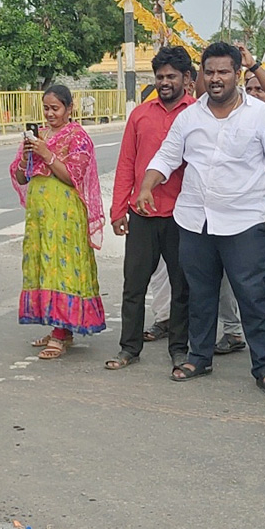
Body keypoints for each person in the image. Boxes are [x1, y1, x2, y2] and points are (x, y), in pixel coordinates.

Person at [138, 41, 265, 396]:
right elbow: (166, 158)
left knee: (253, 296)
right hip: (195, 221)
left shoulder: (261, 116)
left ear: (237, 74)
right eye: (209, 72)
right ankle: (198, 356)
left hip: (244, 223)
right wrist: (147, 187)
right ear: (202, 75)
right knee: (200, 293)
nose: (216, 78)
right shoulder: (189, 117)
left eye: (224, 71)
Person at [106, 47, 196, 371]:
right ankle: (129, 348)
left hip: (181, 215)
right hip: (142, 215)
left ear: (186, 78)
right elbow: (126, 164)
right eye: (160, 76)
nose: (164, 82)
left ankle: (179, 350)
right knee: (134, 285)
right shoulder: (140, 115)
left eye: (171, 76)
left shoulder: (197, 114)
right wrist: (118, 210)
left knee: (182, 286)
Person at [10, 84, 106, 359]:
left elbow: (71, 176)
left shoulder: (78, 137)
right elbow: (21, 178)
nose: (50, 114)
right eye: (46, 109)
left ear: (69, 108)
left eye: (56, 108)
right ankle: (57, 326)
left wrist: (46, 154)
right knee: (43, 265)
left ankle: (61, 334)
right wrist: (27, 156)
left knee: (61, 267)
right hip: (40, 214)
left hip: (65, 214)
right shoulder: (40, 135)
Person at [214, 44, 265, 358]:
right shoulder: (229, 119)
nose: (257, 93)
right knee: (223, 277)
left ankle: (263, 333)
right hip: (231, 214)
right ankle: (232, 331)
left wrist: (254, 66)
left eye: (261, 89)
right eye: (251, 89)